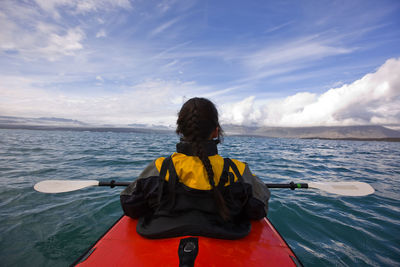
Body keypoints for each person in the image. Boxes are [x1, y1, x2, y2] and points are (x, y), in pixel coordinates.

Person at [120, 97, 270, 239]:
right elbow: (257, 209)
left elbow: (131, 206)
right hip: (227, 237)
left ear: (180, 130)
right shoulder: (238, 170)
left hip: (162, 234)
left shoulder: (159, 167)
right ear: (216, 131)